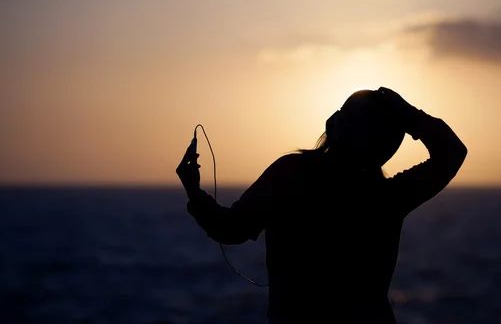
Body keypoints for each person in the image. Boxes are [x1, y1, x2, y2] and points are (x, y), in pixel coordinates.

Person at [177, 87, 467, 323]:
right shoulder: (387, 197)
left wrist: (194, 190)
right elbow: (452, 153)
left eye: (352, 117)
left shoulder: (291, 173)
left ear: (335, 125)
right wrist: (408, 115)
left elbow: (231, 229)